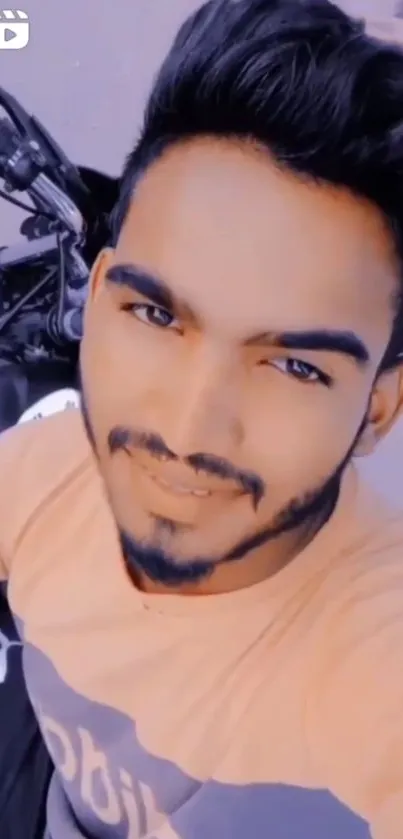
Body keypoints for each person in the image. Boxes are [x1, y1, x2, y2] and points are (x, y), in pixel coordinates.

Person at [1, 0, 403, 836]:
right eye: (154, 315)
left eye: (293, 365)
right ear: (100, 290)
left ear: (378, 406)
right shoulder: (46, 472)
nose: (188, 431)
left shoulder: (373, 650)